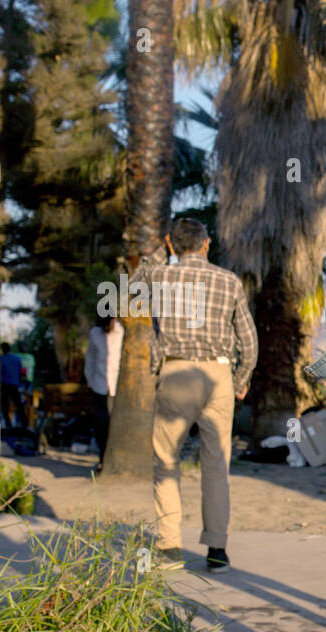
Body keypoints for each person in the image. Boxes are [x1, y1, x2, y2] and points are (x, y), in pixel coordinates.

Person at [144, 219, 258, 574]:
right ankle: (217, 549)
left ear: (171, 243)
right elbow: (249, 342)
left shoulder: (158, 277)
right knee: (216, 465)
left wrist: (162, 250)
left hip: (176, 372)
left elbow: (138, 276)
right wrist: (239, 379)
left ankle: (168, 546)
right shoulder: (229, 281)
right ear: (207, 244)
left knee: (166, 460)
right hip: (218, 374)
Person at [84, 314, 123, 471]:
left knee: (115, 423)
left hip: (117, 385)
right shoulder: (95, 333)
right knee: (101, 424)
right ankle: (102, 457)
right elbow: (90, 359)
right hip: (99, 385)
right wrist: (91, 382)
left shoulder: (122, 332)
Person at [0, 343, 24, 427]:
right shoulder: (17, 358)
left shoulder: (1, 359)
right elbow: (21, 371)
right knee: (18, 404)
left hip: (4, 384)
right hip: (15, 384)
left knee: (4, 405)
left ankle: (8, 422)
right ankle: (24, 422)